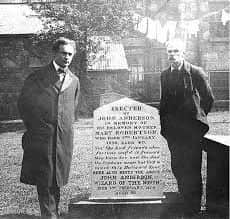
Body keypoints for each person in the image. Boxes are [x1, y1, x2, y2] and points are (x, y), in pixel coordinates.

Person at [18, 37, 80, 219]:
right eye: (63, 53)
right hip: (41, 139)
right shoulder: (37, 77)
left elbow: (72, 108)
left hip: (63, 141)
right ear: (55, 53)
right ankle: (50, 216)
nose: (67, 57)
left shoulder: (74, 80)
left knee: (56, 180)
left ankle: (54, 214)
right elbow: (24, 105)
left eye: (70, 54)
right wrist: (37, 129)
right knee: (44, 181)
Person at [159, 38, 214, 217]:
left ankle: (194, 208)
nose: (172, 55)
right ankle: (185, 200)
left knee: (192, 168)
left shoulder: (196, 72)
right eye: (170, 52)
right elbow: (165, 101)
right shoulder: (165, 75)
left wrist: (198, 118)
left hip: (192, 131)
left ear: (183, 53)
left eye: (176, 51)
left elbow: (208, 99)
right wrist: (165, 125)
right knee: (178, 166)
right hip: (173, 132)